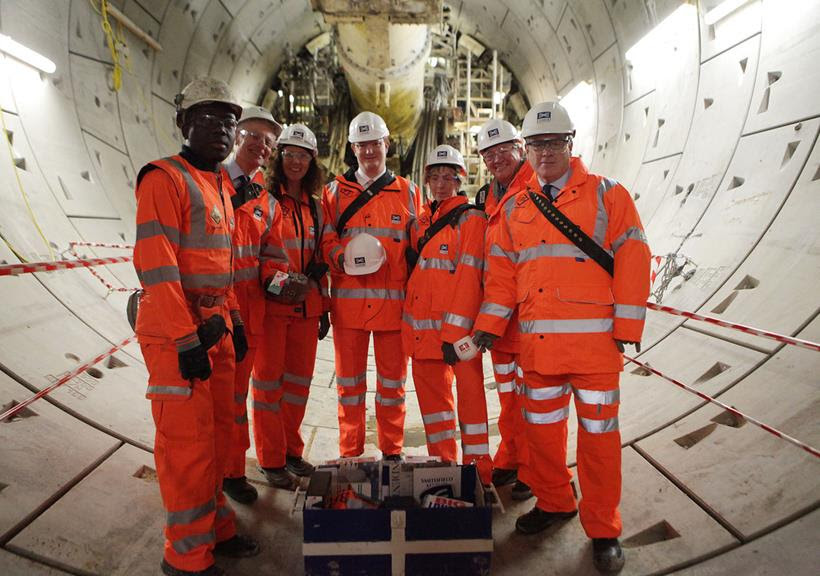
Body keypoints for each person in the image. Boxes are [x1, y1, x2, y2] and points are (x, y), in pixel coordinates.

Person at [473, 101, 650, 574]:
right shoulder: (516, 207)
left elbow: (634, 254)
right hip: (539, 351)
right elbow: (503, 278)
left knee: (598, 441)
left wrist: (627, 328)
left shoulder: (608, 195)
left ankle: (604, 528)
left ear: (571, 145)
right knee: (543, 438)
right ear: (526, 150)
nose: (545, 152)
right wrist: (488, 330)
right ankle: (554, 503)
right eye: (536, 144)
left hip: (595, 352)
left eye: (553, 143)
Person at [133, 77, 260, 576]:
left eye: (229, 121)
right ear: (183, 123)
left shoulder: (218, 188)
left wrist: (234, 319)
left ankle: (214, 527)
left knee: (217, 440)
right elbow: (157, 267)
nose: (221, 130)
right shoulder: (163, 179)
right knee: (187, 446)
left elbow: (220, 266)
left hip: (215, 329)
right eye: (207, 120)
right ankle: (184, 557)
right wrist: (185, 339)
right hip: (176, 334)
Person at [321, 111, 421, 459]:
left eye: (374, 144)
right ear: (352, 147)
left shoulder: (408, 193)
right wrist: (340, 255)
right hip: (348, 309)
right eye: (361, 145)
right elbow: (324, 239)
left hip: (394, 310)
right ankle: (351, 452)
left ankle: (391, 450)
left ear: (386, 145)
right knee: (349, 388)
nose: (368, 152)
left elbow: (420, 248)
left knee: (392, 387)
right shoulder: (334, 193)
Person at [402, 145, 492, 485]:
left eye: (448, 178)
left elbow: (470, 278)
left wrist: (454, 335)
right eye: (435, 178)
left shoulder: (472, 220)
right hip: (422, 335)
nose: (441, 184)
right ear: (426, 180)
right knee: (435, 410)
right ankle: (443, 469)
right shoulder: (422, 222)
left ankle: (479, 473)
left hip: (458, 336)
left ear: (460, 179)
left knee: (471, 406)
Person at [253, 124, 329, 488]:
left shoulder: (315, 208)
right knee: (269, 386)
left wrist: (323, 303)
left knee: (298, 385)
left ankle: (292, 452)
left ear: (312, 161)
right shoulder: (265, 200)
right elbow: (255, 251)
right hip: (272, 309)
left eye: (302, 155)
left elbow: (325, 250)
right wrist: (280, 282)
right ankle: (271, 459)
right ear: (279, 158)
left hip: (306, 309)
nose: (295, 161)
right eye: (289, 154)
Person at [221, 105, 286, 504]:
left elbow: (271, 255)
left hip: (249, 314)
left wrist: (280, 280)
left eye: (269, 141)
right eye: (255, 136)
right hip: (211, 310)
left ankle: (231, 471)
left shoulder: (266, 201)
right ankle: (209, 471)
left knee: (236, 398)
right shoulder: (209, 183)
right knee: (211, 399)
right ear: (236, 136)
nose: (262, 146)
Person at [474, 118, 534, 501]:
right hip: (502, 324)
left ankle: (536, 470)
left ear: (520, 148)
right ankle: (511, 458)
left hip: (529, 319)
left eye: (504, 150)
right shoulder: (490, 196)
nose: (497, 159)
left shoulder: (537, 188)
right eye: (489, 154)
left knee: (536, 402)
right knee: (509, 396)